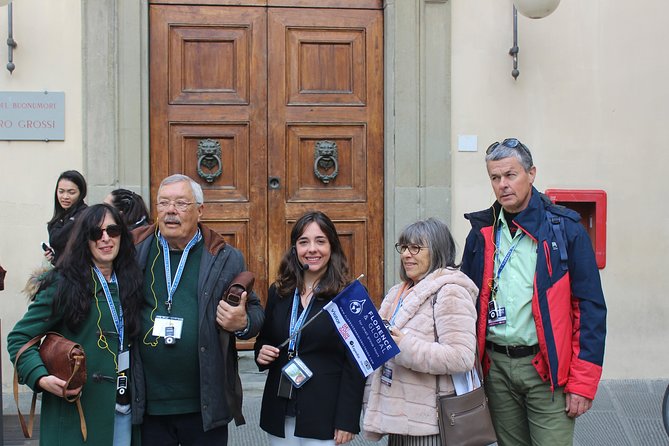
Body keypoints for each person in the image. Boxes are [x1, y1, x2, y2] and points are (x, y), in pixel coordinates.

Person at [461, 138, 607, 446]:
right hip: (496, 369)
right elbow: (465, 299)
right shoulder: (482, 232)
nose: (502, 185)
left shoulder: (566, 230)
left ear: (532, 174)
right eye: (495, 177)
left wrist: (583, 383)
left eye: (510, 175)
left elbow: (590, 310)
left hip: (548, 372)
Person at [130, 173, 264, 446]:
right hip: (148, 403)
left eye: (181, 203)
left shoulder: (225, 256)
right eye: (163, 203)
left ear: (200, 210)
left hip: (204, 404)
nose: (170, 211)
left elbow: (256, 312)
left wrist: (242, 323)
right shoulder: (135, 250)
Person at [8, 203, 144, 446]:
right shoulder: (63, 283)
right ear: (85, 239)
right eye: (95, 233)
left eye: (112, 231)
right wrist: (41, 378)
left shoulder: (130, 282)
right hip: (76, 414)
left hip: (123, 411)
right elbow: (18, 339)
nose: (105, 239)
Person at [362, 218, 479, 446]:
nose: (406, 254)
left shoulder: (450, 291)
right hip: (398, 419)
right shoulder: (399, 292)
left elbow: (462, 356)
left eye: (416, 248)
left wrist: (403, 347)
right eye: (404, 247)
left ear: (437, 250)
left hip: (431, 424)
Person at [255, 211, 365, 446]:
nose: (312, 249)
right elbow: (264, 340)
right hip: (280, 406)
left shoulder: (348, 297)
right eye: (303, 242)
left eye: (320, 241)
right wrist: (261, 353)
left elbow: (356, 365)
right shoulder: (280, 291)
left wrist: (347, 419)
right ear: (295, 249)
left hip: (324, 412)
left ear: (332, 247)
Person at [45, 170, 88, 264]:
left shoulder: (84, 215)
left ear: (81, 193)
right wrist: (54, 256)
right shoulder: (60, 217)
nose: (65, 196)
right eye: (61, 191)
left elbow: (56, 240)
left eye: (71, 192)